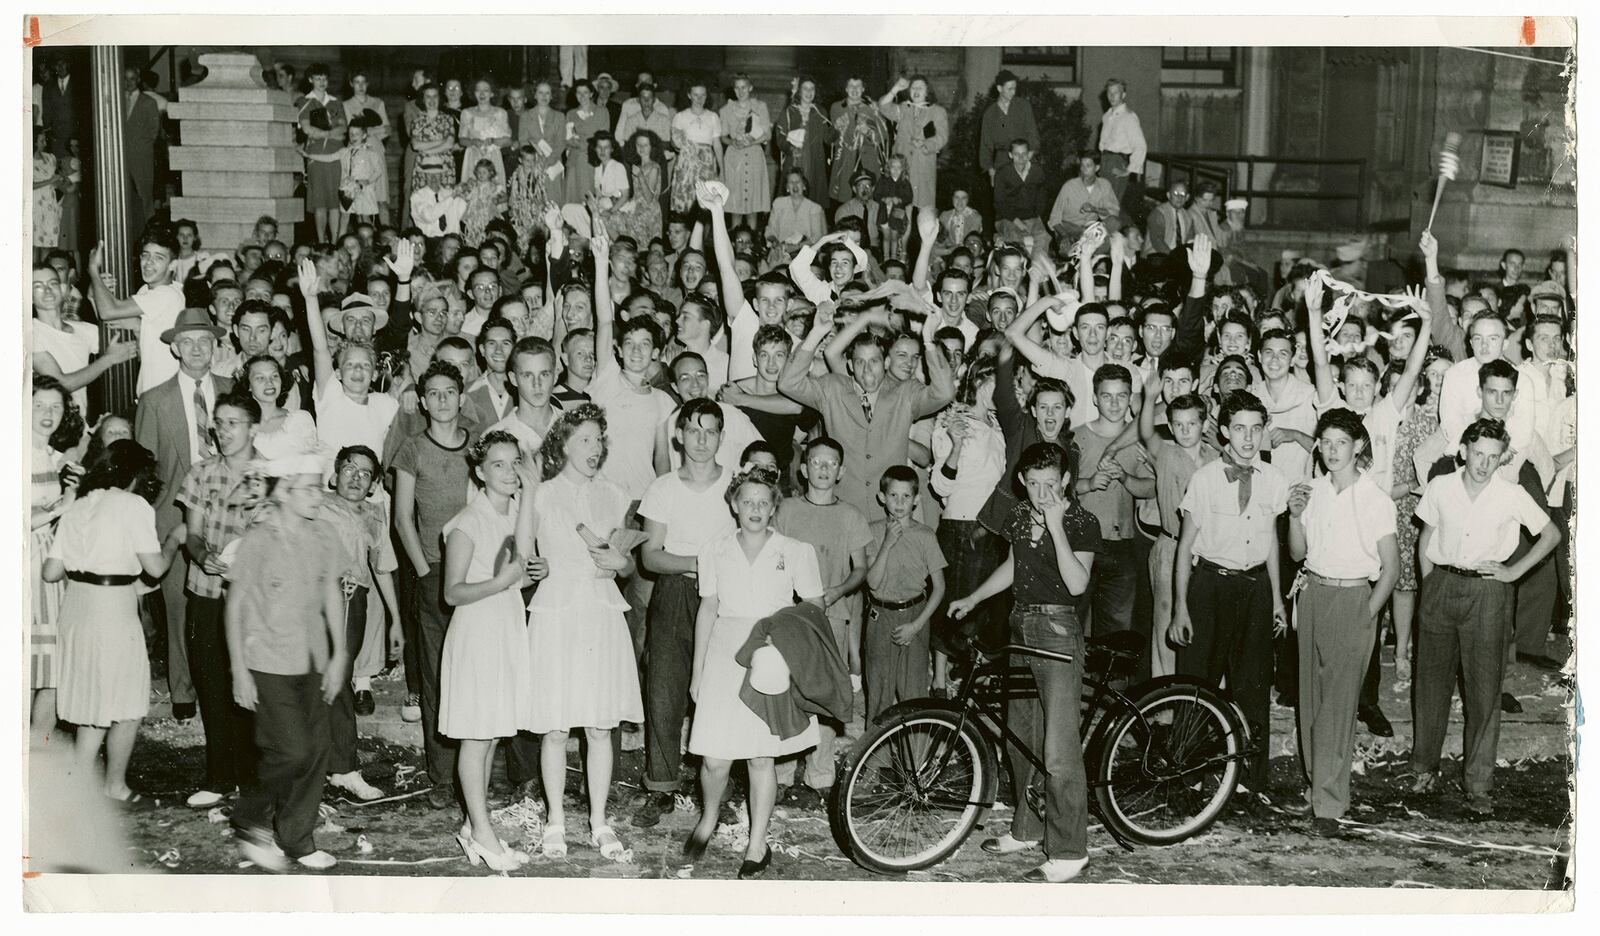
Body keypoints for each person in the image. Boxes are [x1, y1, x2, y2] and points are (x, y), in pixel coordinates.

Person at [948, 442, 1100, 883]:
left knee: (1058, 750)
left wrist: (1056, 527)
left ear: (1066, 480)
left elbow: (1076, 584)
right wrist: (974, 596)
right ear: (1021, 481)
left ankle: (1070, 851)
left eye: (1049, 483)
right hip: (1021, 626)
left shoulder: (1080, 521)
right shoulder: (1018, 515)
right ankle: (1029, 827)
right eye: (1032, 484)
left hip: (1058, 630)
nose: (1040, 492)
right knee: (1020, 737)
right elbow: (1015, 566)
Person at [684, 464, 829, 879]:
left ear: (773, 507)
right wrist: (697, 672)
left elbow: (814, 606)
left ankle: (757, 843)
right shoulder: (714, 549)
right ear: (734, 504)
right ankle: (709, 817)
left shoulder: (796, 550)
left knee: (761, 758)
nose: (755, 508)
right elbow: (708, 609)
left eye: (763, 502)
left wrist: (784, 637)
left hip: (770, 656)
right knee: (714, 759)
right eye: (747, 501)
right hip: (725, 653)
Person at [1411, 418, 1561, 816]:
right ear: (1463, 450)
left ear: (1501, 459)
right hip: (1442, 586)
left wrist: (1512, 573)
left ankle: (1478, 783)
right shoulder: (1441, 486)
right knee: (1430, 686)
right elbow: (1425, 536)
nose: (1483, 463)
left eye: (1493, 457)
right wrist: (1430, 584)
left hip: (1488, 592)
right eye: (1478, 453)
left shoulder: (1510, 494)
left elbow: (1551, 535)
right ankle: (1424, 768)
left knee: (1483, 692)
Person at [518, 403, 644, 861]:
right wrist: (536, 566)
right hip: (555, 613)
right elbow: (522, 554)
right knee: (553, 729)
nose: (595, 448)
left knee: (598, 726)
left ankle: (598, 820)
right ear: (563, 444)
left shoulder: (614, 492)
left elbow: (625, 558)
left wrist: (623, 564)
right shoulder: (542, 493)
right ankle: (554, 821)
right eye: (586, 440)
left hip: (599, 615)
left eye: (599, 440)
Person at [225, 453, 351, 872]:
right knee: (292, 751)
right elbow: (236, 605)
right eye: (310, 488)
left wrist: (339, 654)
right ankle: (249, 815)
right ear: (282, 491)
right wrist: (240, 669)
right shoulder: (257, 541)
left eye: (320, 486)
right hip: (267, 661)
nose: (320, 495)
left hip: (312, 656)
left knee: (315, 750)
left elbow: (333, 591)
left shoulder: (325, 535)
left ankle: (296, 839)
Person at [45, 440, 186, 806]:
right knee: (126, 701)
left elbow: (51, 571)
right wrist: (174, 540)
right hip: (112, 608)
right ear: (136, 474)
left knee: (90, 700)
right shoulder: (132, 504)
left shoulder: (77, 507)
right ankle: (114, 786)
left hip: (75, 607)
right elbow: (155, 568)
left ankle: (78, 784)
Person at [1284, 408, 1400, 831]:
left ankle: (1330, 805)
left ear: (1359, 448)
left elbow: (1392, 569)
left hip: (1353, 598)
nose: (1333, 451)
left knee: (1337, 706)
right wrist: (1294, 517)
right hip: (1313, 593)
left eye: (1342, 443)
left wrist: (1366, 614)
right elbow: (1297, 553)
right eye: (1326, 442)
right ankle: (1318, 790)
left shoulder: (1375, 499)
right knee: (1311, 701)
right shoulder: (1311, 491)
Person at [1169, 391, 1287, 795]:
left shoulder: (1274, 480)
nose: (1248, 438)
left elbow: (1271, 540)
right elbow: (1185, 547)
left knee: (1252, 686)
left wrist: (1276, 601)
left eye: (1256, 429)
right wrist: (1181, 608)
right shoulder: (1204, 479)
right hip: (1210, 588)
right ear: (1223, 431)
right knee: (1197, 684)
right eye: (1239, 429)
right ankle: (1187, 775)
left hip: (1254, 588)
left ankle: (1248, 781)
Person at [631, 399, 738, 828]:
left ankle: (720, 790)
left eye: (710, 432)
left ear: (721, 438)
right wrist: (697, 563)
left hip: (726, 598)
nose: (700, 440)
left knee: (722, 692)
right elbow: (650, 557)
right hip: (675, 595)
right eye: (692, 431)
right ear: (678, 435)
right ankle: (661, 786)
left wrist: (715, 571)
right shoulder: (663, 488)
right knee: (665, 690)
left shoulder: (735, 485)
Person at [439, 431, 539, 871]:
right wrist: (502, 583)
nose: (508, 471)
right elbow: (452, 593)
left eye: (514, 462)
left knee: (492, 733)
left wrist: (537, 570)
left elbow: (519, 570)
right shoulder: (468, 522)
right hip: (478, 629)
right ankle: (483, 833)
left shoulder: (515, 512)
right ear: (479, 472)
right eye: (497, 464)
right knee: (477, 737)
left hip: (506, 624)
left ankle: (471, 825)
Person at [134, 307, 233, 724]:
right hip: (174, 515)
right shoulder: (155, 400)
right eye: (188, 341)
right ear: (175, 348)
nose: (196, 349)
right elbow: (146, 472)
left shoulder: (231, 389)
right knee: (179, 609)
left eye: (204, 341)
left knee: (230, 606)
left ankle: (229, 687)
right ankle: (183, 690)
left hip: (229, 515)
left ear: (215, 347)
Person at [173, 390, 268, 809]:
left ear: (253, 427)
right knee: (211, 683)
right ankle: (219, 776)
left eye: (234, 423)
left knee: (249, 686)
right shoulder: (200, 473)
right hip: (207, 593)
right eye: (220, 422)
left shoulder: (270, 475)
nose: (224, 430)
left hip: (254, 600)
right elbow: (191, 535)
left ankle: (252, 780)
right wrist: (203, 556)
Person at [392, 360, 478, 808]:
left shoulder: (480, 445)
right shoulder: (412, 449)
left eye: (450, 392)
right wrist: (425, 571)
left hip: (479, 575)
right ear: (423, 402)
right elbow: (403, 518)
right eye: (434, 394)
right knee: (436, 674)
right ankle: (442, 776)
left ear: (462, 398)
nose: (443, 400)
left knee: (478, 670)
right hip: (434, 571)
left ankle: (479, 771)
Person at [770, 437, 873, 806]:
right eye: (817, 462)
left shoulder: (851, 516)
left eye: (832, 464)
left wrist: (834, 592)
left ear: (841, 471)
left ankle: (820, 775)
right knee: (787, 692)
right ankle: (780, 774)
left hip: (833, 615)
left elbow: (861, 568)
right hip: (791, 616)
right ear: (804, 468)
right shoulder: (786, 511)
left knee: (826, 699)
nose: (824, 469)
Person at [778, 305, 956, 517]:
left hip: (890, 515)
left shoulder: (906, 394)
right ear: (851, 366)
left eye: (874, 361)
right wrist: (817, 331)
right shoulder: (832, 389)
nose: (867, 369)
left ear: (887, 363)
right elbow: (787, 383)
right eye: (860, 362)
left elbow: (945, 392)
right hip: (844, 512)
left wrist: (928, 339)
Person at [1072, 364, 1156, 642]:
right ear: (1095, 398)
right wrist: (1089, 482)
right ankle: (1074, 687)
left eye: (1122, 396)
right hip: (1081, 545)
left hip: (1123, 546)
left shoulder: (1137, 440)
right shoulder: (1077, 438)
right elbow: (1058, 488)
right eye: (1107, 396)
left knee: (1116, 636)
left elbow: (1150, 488)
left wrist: (1125, 477)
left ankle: (1111, 687)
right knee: (1073, 628)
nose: (1115, 403)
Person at [863, 465, 946, 722]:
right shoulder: (873, 531)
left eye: (906, 496)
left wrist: (917, 625)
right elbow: (873, 583)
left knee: (913, 692)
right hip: (880, 616)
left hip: (915, 615)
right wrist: (887, 543)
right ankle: (876, 760)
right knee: (878, 689)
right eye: (893, 495)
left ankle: (915, 758)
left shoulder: (925, 535)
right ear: (881, 497)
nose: (899, 502)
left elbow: (940, 587)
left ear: (916, 499)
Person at [29, 375, 83, 740]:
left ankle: (41, 758)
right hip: (26, 565)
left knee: (51, 669)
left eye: (56, 407)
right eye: (39, 406)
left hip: (51, 561)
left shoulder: (56, 456)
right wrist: (60, 507)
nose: (48, 414)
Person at [86, 226, 182, 396]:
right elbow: (112, 321)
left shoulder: (168, 294)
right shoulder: (146, 291)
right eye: (145, 255)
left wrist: (93, 269)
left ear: (173, 265)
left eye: (158, 258)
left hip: (166, 394)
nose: (149, 263)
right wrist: (94, 295)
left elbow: (109, 311)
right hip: (149, 391)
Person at [32, 260, 133, 413]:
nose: (47, 291)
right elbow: (60, 385)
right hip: (50, 429)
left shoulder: (83, 330)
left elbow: (118, 338)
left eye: (52, 283)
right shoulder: (29, 332)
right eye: (38, 286)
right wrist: (108, 359)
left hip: (81, 428)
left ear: (62, 289)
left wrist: (96, 295)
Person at [877, 76, 948, 212]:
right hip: (902, 167)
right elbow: (883, 106)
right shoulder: (903, 109)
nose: (916, 90)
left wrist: (925, 143)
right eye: (913, 87)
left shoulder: (937, 111)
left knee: (924, 210)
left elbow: (942, 137)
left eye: (920, 88)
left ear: (927, 91)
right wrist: (896, 88)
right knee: (901, 209)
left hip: (923, 166)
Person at [299, 64, 350, 243]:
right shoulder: (305, 101)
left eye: (325, 79)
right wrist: (330, 133)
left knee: (334, 202)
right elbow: (307, 129)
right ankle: (321, 242)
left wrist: (321, 132)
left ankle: (335, 241)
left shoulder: (335, 102)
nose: (322, 82)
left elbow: (343, 129)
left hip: (336, 154)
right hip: (317, 156)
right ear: (310, 80)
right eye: (318, 78)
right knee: (320, 203)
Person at [774, 77, 834, 215]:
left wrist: (837, 130)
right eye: (805, 88)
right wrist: (790, 148)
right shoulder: (790, 112)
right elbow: (780, 136)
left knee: (813, 201)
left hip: (814, 162)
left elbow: (828, 137)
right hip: (796, 160)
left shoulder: (820, 112)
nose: (809, 92)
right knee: (791, 200)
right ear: (799, 92)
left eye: (812, 88)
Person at [720, 74, 773, 231]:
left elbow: (767, 134)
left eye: (744, 87)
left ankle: (752, 246)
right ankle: (733, 246)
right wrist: (732, 142)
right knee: (735, 206)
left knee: (752, 206)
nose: (740, 91)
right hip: (734, 157)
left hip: (754, 154)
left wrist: (752, 141)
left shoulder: (760, 106)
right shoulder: (726, 109)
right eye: (737, 88)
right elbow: (723, 137)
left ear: (750, 88)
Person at [829, 76, 889, 206]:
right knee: (846, 200)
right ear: (846, 89)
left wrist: (868, 132)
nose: (854, 89)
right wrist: (837, 128)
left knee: (870, 200)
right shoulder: (836, 108)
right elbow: (831, 139)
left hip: (868, 161)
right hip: (845, 160)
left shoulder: (873, 108)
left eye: (858, 86)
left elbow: (883, 136)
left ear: (863, 89)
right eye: (851, 86)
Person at [342, 70, 391, 222]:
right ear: (351, 84)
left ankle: (387, 235)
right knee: (361, 198)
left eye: (364, 82)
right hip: (357, 154)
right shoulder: (346, 105)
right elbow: (353, 131)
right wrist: (376, 130)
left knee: (381, 198)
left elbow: (387, 129)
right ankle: (365, 235)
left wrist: (370, 132)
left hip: (375, 150)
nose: (361, 86)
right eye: (357, 82)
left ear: (368, 84)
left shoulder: (378, 103)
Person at [670, 82, 723, 215]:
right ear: (689, 95)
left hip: (707, 165)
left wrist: (722, 170)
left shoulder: (713, 117)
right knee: (686, 203)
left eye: (703, 95)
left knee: (705, 205)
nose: (699, 99)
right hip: (687, 165)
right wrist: (678, 143)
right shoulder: (680, 117)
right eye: (695, 95)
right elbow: (676, 145)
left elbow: (717, 144)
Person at [979, 70, 1040, 186]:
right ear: (999, 88)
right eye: (1009, 89)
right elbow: (985, 146)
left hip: (1025, 159)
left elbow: (1033, 135)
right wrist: (991, 171)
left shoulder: (1024, 106)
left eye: (1015, 88)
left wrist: (1027, 160)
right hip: (1002, 163)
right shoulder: (990, 114)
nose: (1013, 92)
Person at [1048, 152, 1121, 245]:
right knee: (1067, 248)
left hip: (1090, 229)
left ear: (1097, 168)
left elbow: (1113, 212)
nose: (1084, 169)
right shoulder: (1069, 186)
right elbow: (1054, 218)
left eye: (1088, 166)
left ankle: (1094, 248)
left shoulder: (1104, 185)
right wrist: (1064, 235)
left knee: (1115, 223)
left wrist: (1094, 209)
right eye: (1082, 166)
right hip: (1068, 228)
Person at [1096, 78, 1146, 211]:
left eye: (1116, 93)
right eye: (1109, 93)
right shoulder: (1107, 116)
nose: (1112, 96)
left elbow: (1140, 145)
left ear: (1123, 95)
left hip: (1117, 162)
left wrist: (1129, 169)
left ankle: (1111, 231)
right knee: (1100, 204)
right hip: (1105, 161)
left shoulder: (1128, 117)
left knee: (1111, 207)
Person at [992, 138, 1050, 246]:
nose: (1021, 157)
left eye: (1024, 153)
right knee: (1016, 239)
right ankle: (1017, 259)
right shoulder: (1002, 173)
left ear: (1028, 154)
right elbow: (999, 203)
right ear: (1010, 155)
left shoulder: (1037, 171)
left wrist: (1036, 215)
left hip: (1031, 217)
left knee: (1043, 237)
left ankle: (1037, 262)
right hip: (1007, 218)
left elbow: (1042, 197)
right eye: (1016, 154)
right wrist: (1016, 221)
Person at [563, 80, 610, 206]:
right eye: (579, 93)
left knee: (591, 202)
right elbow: (567, 139)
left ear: (591, 94)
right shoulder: (571, 114)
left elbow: (603, 139)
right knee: (573, 202)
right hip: (574, 162)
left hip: (593, 161)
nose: (582, 96)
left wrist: (580, 142)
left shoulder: (602, 112)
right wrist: (585, 140)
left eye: (585, 92)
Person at [767, 169, 826, 252]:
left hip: (806, 251)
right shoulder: (778, 203)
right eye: (791, 182)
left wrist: (797, 247)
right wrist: (776, 243)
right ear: (787, 188)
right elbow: (770, 230)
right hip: (781, 251)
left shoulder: (815, 208)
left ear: (804, 186)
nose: (794, 185)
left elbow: (817, 236)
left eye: (798, 182)